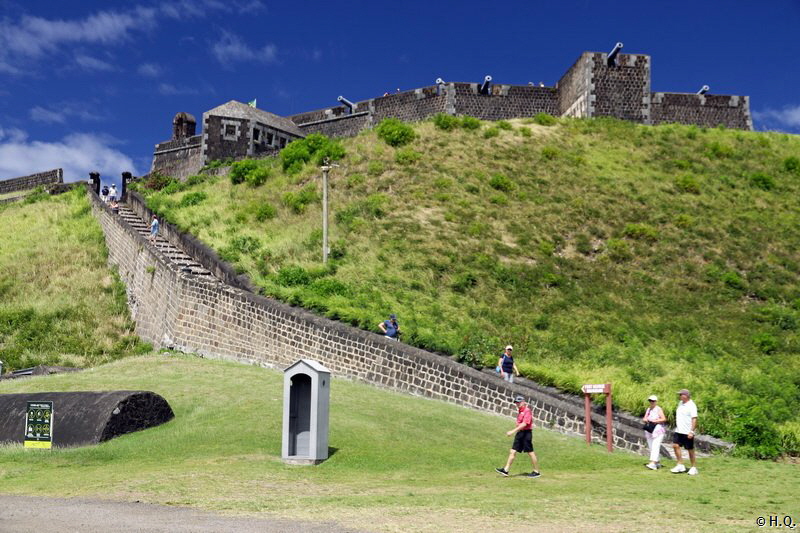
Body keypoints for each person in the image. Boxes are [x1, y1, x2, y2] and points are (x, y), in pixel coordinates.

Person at [495, 395, 540, 478]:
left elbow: (525, 424)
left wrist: (512, 431)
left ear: (523, 402)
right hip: (520, 433)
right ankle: (506, 470)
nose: (517, 404)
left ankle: (536, 471)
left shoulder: (527, 411)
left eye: (518, 402)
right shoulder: (520, 410)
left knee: (530, 452)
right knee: (512, 451)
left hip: (526, 434)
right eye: (516, 402)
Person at [671, 388, 699, 475]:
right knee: (675, 446)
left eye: (680, 395)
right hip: (679, 430)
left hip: (687, 431)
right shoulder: (680, 403)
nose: (679, 396)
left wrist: (691, 431)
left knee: (690, 449)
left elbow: (694, 419)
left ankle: (693, 467)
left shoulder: (692, 405)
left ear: (686, 396)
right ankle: (680, 464)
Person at [642, 394, 667, 470]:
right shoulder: (648, 409)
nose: (651, 402)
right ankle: (657, 462)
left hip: (658, 430)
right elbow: (644, 418)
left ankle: (653, 463)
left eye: (653, 401)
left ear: (656, 401)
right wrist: (645, 420)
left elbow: (663, 419)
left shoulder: (658, 409)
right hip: (650, 430)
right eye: (650, 401)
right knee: (651, 446)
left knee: (655, 446)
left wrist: (655, 421)